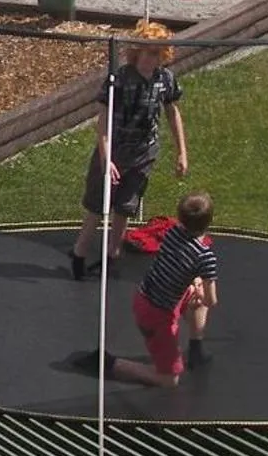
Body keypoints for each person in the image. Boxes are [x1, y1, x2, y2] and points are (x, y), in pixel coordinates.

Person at [70, 20, 188, 279]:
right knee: (97, 205)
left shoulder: (165, 79)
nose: (149, 58)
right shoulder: (120, 79)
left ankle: (113, 253)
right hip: (114, 151)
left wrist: (182, 151)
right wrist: (106, 158)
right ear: (136, 51)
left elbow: (172, 112)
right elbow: (103, 120)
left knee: (125, 206)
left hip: (143, 154)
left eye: (155, 53)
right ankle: (79, 253)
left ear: (162, 56)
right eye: (145, 51)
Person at [101, 192, 218, 387]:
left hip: (145, 296)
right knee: (169, 379)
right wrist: (200, 294)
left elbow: (181, 263)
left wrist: (196, 284)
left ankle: (196, 350)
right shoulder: (205, 256)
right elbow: (211, 300)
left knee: (196, 294)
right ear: (209, 221)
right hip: (157, 314)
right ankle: (111, 363)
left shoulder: (172, 232)